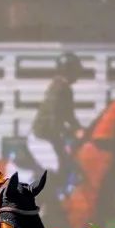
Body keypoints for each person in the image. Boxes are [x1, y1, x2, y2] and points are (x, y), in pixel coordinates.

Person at [30, 53, 84, 192]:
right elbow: (53, 119)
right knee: (54, 168)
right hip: (42, 137)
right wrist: (71, 133)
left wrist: (79, 129)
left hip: (51, 136)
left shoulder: (66, 89)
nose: (78, 73)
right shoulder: (59, 89)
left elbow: (69, 116)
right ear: (68, 70)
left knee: (66, 165)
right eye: (76, 70)